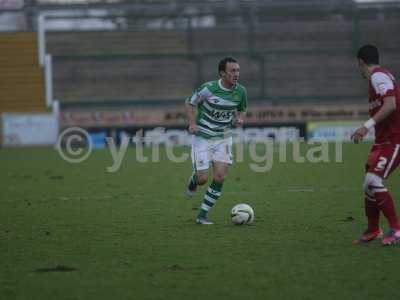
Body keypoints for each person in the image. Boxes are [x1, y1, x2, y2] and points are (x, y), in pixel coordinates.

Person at [184, 57, 247, 225]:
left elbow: (242, 110)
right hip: (203, 136)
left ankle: (202, 215)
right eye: (232, 71)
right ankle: (194, 179)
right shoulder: (208, 88)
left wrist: (239, 119)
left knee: (220, 176)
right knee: (202, 179)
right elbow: (190, 103)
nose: (236, 74)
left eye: (238, 70)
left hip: (223, 137)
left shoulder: (241, 91)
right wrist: (192, 124)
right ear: (222, 73)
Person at [351, 44, 400, 245]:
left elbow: (391, 105)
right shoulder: (381, 76)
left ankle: (396, 229)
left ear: (361, 62)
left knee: (373, 181)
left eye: (358, 65)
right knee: (369, 184)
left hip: (395, 138)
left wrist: (366, 126)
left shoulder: (377, 76)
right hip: (383, 140)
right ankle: (373, 230)